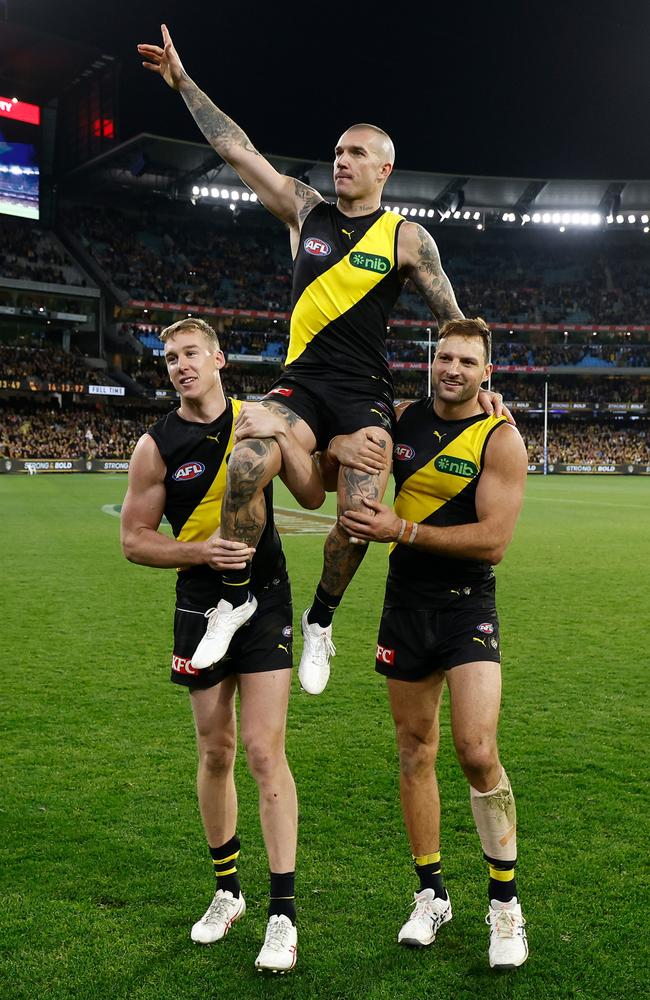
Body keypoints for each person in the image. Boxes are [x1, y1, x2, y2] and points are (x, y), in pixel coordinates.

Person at [137, 25, 490, 696]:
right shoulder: (306, 211)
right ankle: (235, 598)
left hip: (364, 396)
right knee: (244, 461)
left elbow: (456, 321)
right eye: (337, 152)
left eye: (356, 153)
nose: (341, 161)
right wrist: (183, 82)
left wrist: (486, 387)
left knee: (358, 515)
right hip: (300, 384)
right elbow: (234, 148)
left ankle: (320, 620)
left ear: (384, 168)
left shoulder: (408, 238)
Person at [120, 318, 323, 974]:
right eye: (169, 357)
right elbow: (134, 539)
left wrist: (287, 442)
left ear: (218, 358)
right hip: (197, 603)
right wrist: (196, 550)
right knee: (215, 750)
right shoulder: (156, 446)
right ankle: (227, 891)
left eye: (189, 354)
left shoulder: (260, 417)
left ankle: (283, 914)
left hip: (265, 600)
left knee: (265, 752)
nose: (178, 365)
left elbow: (312, 491)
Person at [339, 318, 529, 969]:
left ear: (487, 372)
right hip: (405, 607)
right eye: (444, 357)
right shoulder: (400, 421)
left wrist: (405, 530)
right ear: (433, 360)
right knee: (414, 751)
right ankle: (431, 894)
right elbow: (344, 452)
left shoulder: (500, 439)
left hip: (467, 606)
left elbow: (494, 540)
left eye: (466, 361)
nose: (452, 368)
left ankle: (504, 904)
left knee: (477, 750)